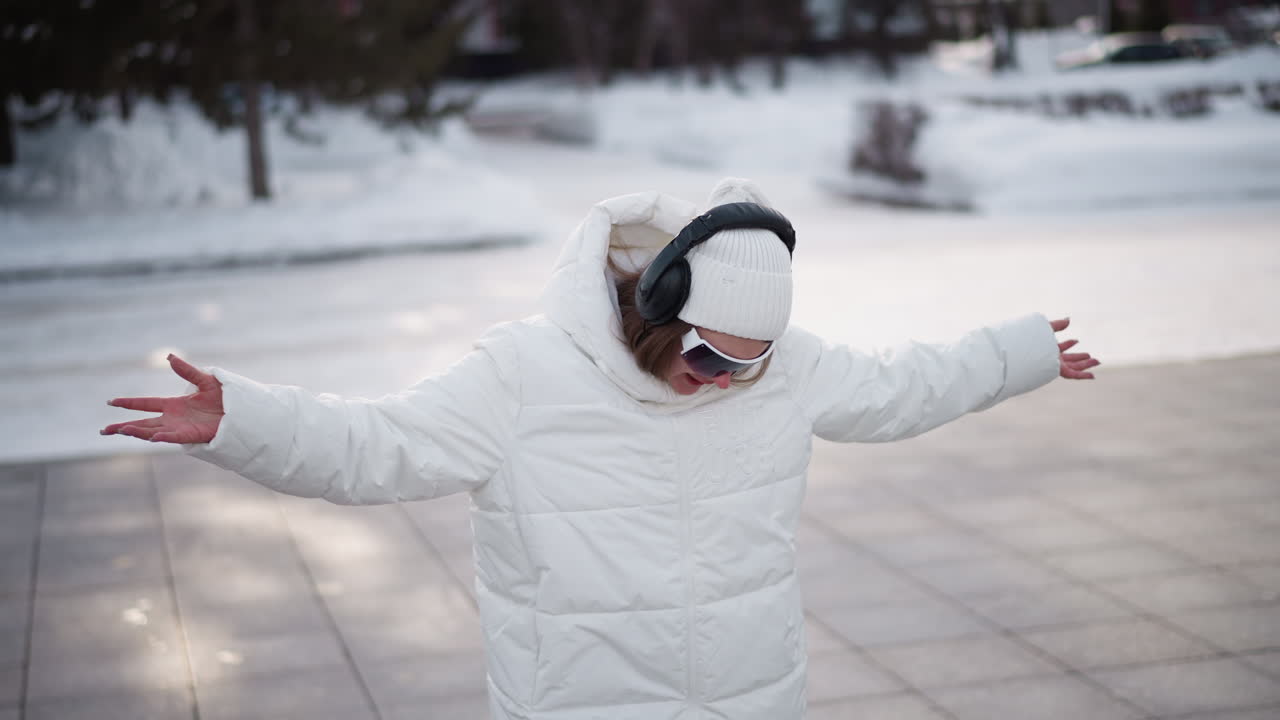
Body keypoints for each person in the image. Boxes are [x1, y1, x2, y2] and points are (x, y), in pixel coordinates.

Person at [101, 178, 1098, 720]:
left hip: (749, 693)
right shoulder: (526, 371)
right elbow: (381, 445)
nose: (724, 380)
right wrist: (245, 420)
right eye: (707, 354)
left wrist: (1015, 355)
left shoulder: (778, 369)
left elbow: (899, 389)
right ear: (659, 309)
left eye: (748, 365)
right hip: (582, 696)